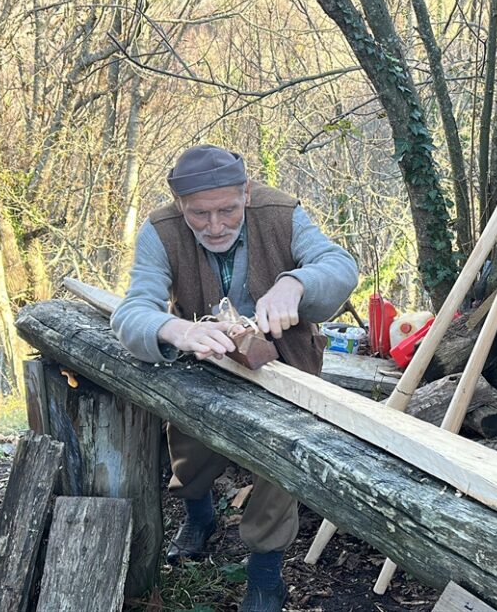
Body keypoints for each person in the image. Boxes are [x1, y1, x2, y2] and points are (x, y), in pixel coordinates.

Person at [111, 144, 358, 611]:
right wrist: (176, 329)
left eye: (227, 209)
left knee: (282, 458)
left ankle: (265, 574)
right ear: (180, 205)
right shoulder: (160, 230)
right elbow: (131, 311)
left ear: (246, 191)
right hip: (204, 358)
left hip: (286, 365)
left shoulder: (281, 212)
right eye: (199, 215)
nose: (215, 225)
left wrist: (296, 283)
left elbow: (340, 266)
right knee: (188, 444)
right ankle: (198, 514)